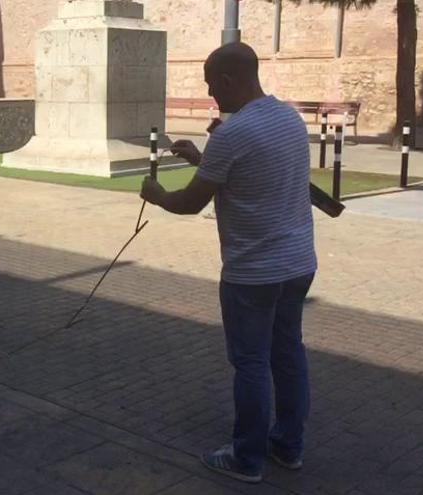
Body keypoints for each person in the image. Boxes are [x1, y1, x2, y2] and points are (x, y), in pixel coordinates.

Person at [140, 42, 317, 484]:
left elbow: (188, 202)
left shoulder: (233, 134)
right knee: (288, 354)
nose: (210, 94)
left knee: (252, 363)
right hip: (298, 264)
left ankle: (247, 458)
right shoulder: (289, 119)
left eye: (211, 85)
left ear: (228, 80)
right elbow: (251, 173)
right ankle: (288, 446)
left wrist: (157, 195)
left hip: (253, 272)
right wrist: (200, 158)